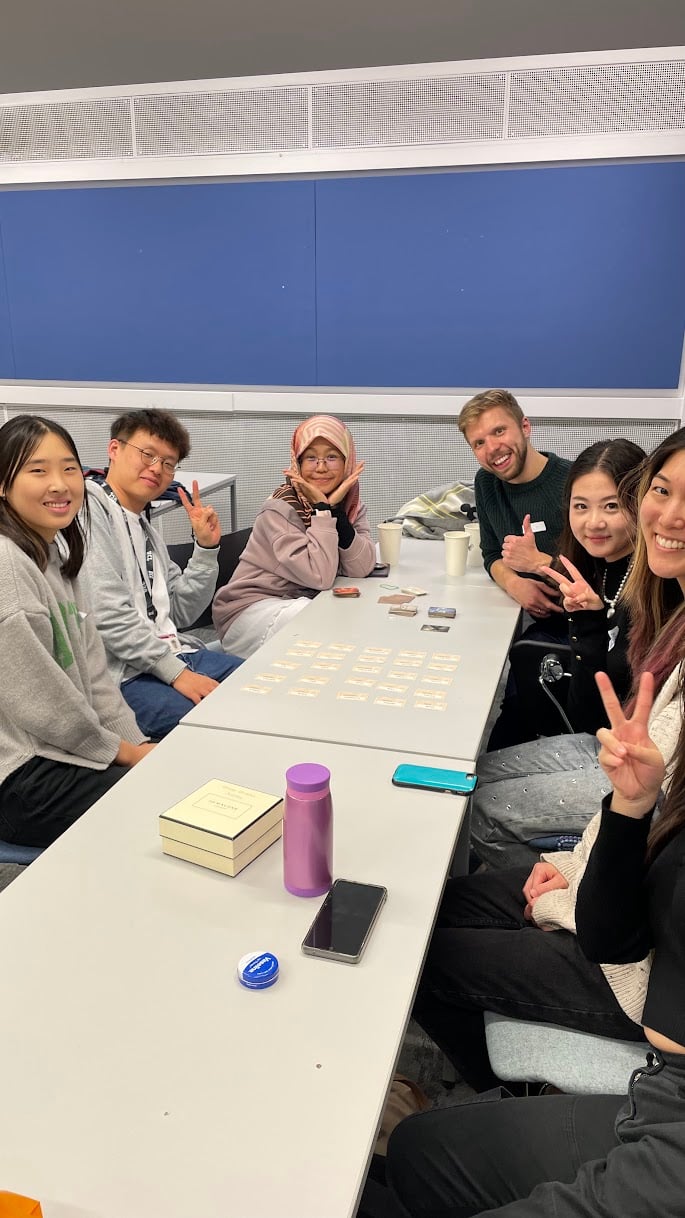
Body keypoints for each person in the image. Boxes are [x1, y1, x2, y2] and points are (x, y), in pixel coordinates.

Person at [405, 427, 685, 1094]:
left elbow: (636, 893)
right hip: (614, 831)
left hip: (633, 957)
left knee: (417, 950)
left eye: (610, 505)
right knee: (433, 887)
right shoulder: (663, 600)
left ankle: (487, 1095)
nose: (667, 518)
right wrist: (569, 864)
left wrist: (559, 900)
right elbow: (633, 790)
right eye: (663, 493)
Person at [387, 669, 685, 1218]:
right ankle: (496, 1092)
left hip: (647, 1010)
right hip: (626, 935)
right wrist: (621, 822)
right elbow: (616, 923)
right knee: (429, 914)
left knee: (425, 958)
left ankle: (496, 1086)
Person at [471, 438, 645, 869]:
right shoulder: (595, 568)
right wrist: (586, 625)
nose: (593, 523)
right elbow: (588, 719)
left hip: (644, 771)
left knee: (477, 810)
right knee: (468, 780)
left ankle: (552, 890)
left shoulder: (652, 583)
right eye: (581, 506)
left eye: (610, 506)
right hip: (605, 740)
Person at [0, 415, 153, 847]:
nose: (60, 484)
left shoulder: (55, 551)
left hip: (59, 749)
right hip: (19, 775)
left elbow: (94, 673)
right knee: (163, 806)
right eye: (37, 470)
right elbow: (44, 705)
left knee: (165, 774)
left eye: (69, 468)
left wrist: (135, 742)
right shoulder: (8, 565)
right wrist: (124, 754)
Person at [83, 408, 242, 739]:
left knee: (259, 683)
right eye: (147, 454)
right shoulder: (88, 509)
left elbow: (181, 611)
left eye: (168, 463)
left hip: (172, 655)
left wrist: (205, 549)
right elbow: (108, 616)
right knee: (215, 723)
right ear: (115, 450)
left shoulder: (144, 525)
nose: (157, 468)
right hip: (122, 676)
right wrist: (178, 675)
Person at [458, 389, 572, 747]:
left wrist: (540, 564)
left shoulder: (571, 484)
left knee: (518, 712)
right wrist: (515, 583)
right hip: (521, 615)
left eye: (499, 431)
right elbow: (491, 552)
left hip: (575, 625)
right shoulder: (486, 483)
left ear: (525, 427)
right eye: (478, 443)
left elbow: (609, 574)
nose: (491, 448)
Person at [213, 414, 375, 658]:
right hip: (252, 610)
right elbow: (320, 577)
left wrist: (337, 517)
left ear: (347, 462)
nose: (321, 467)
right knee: (324, 620)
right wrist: (323, 511)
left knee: (351, 616)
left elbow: (362, 567)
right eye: (310, 458)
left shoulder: (350, 505)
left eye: (331, 457)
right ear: (297, 464)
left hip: (305, 603)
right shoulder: (280, 508)